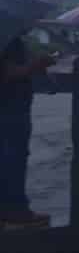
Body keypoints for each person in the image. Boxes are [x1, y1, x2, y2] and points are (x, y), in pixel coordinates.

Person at [0, 36, 55, 227]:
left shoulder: (14, 39)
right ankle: (16, 211)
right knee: (13, 158)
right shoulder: (9, 40)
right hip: (10, 106)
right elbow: (8, 73)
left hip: (13, 105)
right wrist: (35, 64)